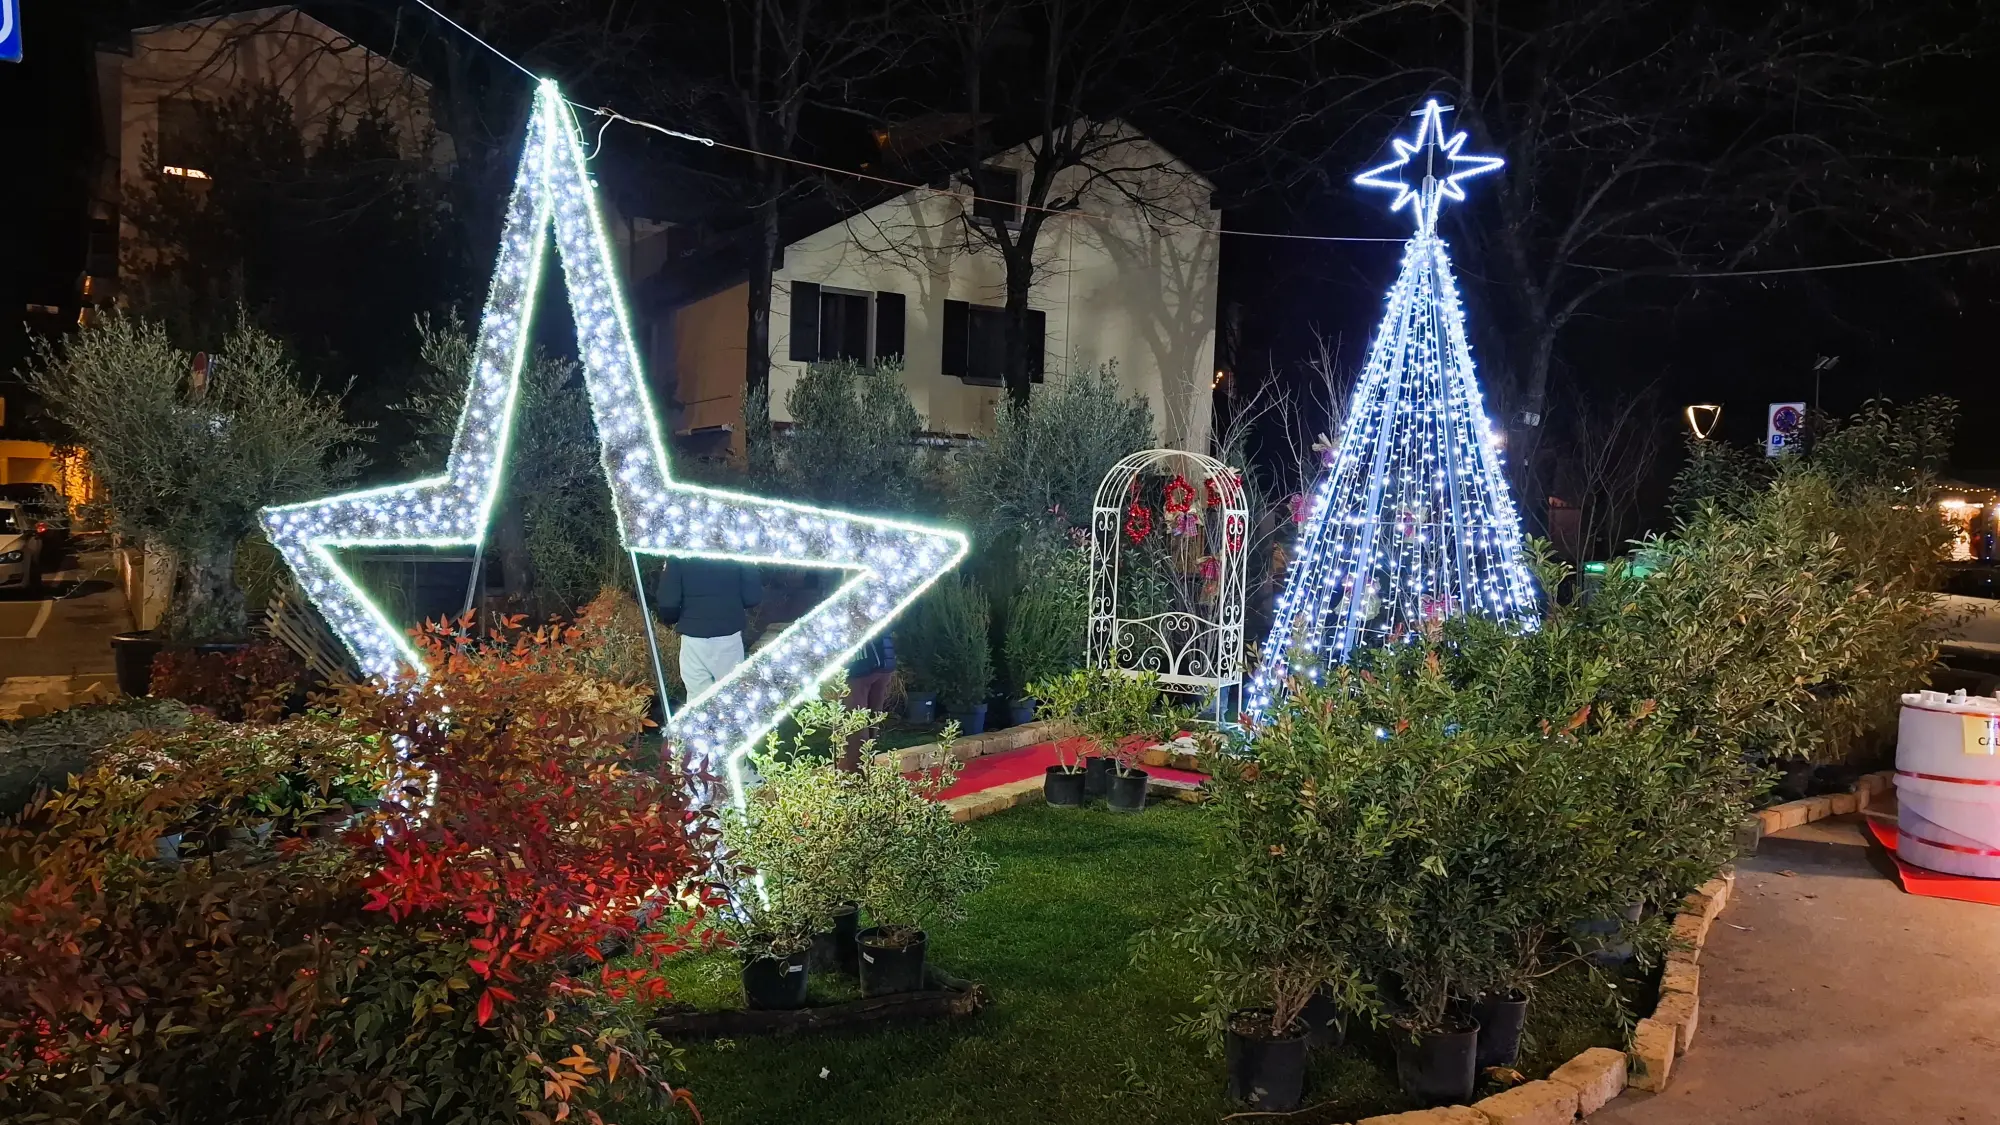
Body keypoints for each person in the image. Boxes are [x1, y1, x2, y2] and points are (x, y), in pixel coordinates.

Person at [656, 557, 762, 700]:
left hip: (693, 637)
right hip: (728, 634)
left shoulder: (679, 554)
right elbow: (752, 597)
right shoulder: (737, 550)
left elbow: (668, 602)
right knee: (731, 695)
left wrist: (673, 618)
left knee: (697, 698)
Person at [840, 634, 896, 770]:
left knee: (856, 726)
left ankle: (855, 776)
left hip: (860, 663)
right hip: (885, 658)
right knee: (871, 723)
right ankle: (867, 772)